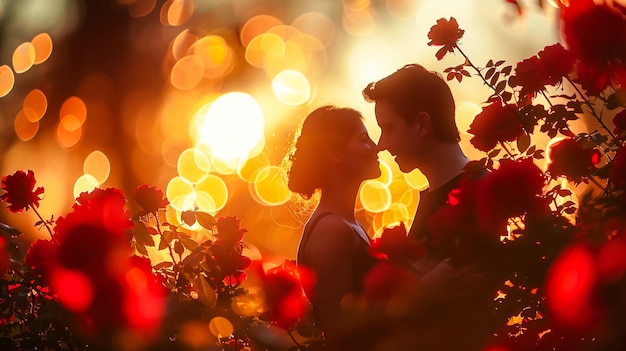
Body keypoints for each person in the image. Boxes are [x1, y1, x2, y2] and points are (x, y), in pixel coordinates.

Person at [287, 105, 382, 350]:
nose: (376, 147)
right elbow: (339, 334)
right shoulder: (332, 229)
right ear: (335, 153)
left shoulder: (348, 224)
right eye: (363, 139)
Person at [362, 63, 476, 258]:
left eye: (388, 129)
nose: (381, 145)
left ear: (422, 124)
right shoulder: (443, 193)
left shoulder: (477, 195)